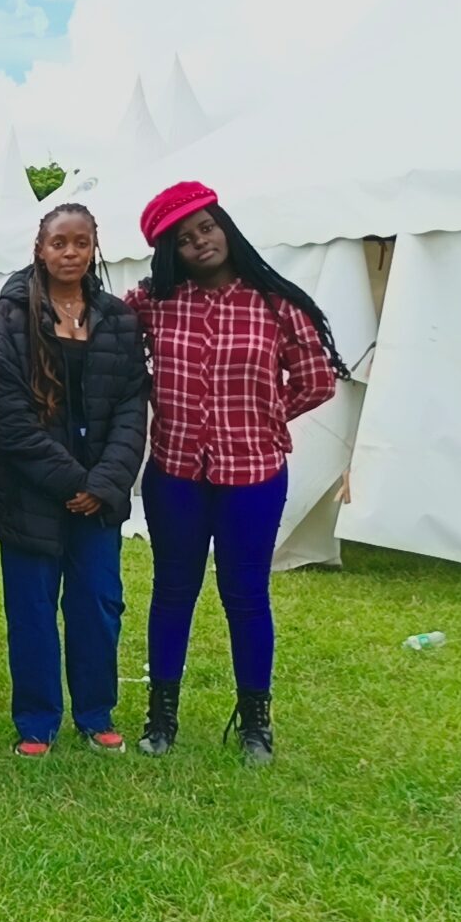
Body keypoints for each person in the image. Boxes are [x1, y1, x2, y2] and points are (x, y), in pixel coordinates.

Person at [124, 182, 349, 765]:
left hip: (253, 474)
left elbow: (317, 380)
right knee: (173, 592)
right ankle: (161, 718)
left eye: (207, 227)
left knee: (245, 595)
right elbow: (105, 339)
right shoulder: (153, 304)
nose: (200, 242)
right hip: (176, 471)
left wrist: (267, 416)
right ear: (169, 251)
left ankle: (254, 723)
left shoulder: (274, 303)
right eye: (184, 238)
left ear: (224, 227)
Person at [0, 203, 148, 757]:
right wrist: (74, 481)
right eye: (59, 243)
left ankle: (96, 713)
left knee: (98, 605)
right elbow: (8, 417)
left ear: (94, 247)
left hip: (98, 499)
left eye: (81, 242)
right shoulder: (11, 317)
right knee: (31, 611)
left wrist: (103, 484)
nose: (70, 253)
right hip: (29, 493)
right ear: (40, 248)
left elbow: (132, 408)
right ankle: (37, 721)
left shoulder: (119, 319)